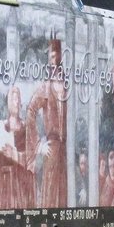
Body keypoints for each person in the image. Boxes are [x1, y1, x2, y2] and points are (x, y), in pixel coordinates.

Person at [26, 38, 69, 207]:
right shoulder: (45, 88)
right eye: (51, 57)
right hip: (52, 149)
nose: (55, 61)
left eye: (57, 57)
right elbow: (30, 112)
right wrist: (39, 145)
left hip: (65, 152)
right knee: (50, 198)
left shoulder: (67, 88)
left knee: (64, 196)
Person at [0, 85, 33, 208]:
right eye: (13, 99)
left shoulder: (26, 128)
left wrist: (15, 155)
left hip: (20, 184)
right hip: (3, 185)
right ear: (8, 103)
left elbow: (33, 158)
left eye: (18, 99)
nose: (16, 102)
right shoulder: (0, 127)